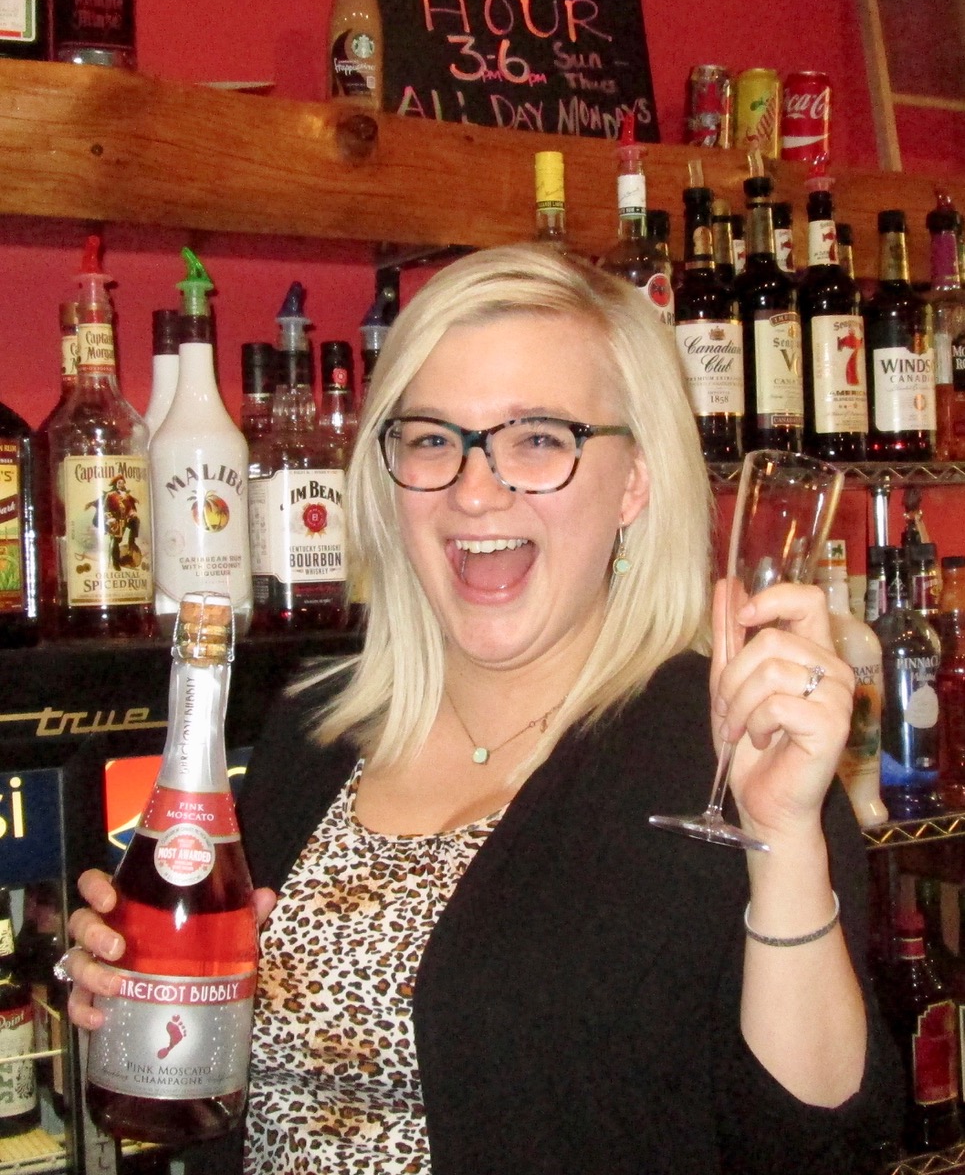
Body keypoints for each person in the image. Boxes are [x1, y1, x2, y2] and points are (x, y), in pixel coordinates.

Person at [63, 244, 901, 1174]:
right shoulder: (316, 731)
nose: (473, 488)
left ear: (635, 480)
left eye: (538, 439)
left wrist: (782, 838)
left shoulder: (725, 757)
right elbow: (216, 1090)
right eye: (431, 439)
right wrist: (141, 991)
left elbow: (817, 1144)